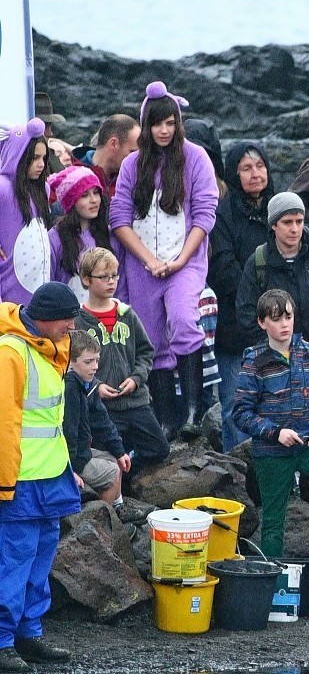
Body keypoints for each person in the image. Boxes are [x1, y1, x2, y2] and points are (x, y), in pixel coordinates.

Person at [109, 82, 218, 441]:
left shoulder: (195, 158)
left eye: (170, 123)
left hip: (184, 262)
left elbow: (204, 214)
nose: (164, 130)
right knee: (151, 338)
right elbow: (120, 217)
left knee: (186, 320)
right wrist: (148, 260)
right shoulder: (131, 165)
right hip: (142, 265)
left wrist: (180, 261)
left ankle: (192, 408)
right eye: (157, 124)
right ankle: (165, 416)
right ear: (146, 125)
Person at [233, 289, 309, 577]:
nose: (285, 324)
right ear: (262, 323)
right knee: (274, 521)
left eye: (288, 316)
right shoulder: (254, 361)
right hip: (271, 453)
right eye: (276, 319)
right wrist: (275, 433)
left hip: (308, 447)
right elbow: (241, 413)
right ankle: (271, 582)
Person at [0, 283, 83, 670]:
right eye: (67, 318)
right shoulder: (11, 353)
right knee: (14, 560)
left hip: (49, 475)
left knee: (38, 559)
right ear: (47, 319)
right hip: (19, 481)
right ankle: (3, 641)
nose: (72, 325)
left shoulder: (49, 349)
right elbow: (5, 424)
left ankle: (28, 635)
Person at [75, 248, 169, 473]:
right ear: (86, 279)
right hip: (101, 407)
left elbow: (146, 352)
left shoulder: (127, 314)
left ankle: (131, 477)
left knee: (159, 448)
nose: (111, 282)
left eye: (115, 276)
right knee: (106, 458)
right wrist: (95, 386)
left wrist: (136, 379)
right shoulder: (77, 321)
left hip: (135, 401)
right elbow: (71, 363)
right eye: (104, 277)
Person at [209, 143, 276, 452]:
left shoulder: (279, 210)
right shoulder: (222, 215)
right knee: (236, 406)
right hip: (234, 328)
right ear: (234, 174)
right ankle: (235, 473)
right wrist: (261, 298)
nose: (255, 174)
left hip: (276, 327)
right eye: (247, 169)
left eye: (260, 166)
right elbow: (222, 269)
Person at [237, 192, 309, 354]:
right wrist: (277, 348)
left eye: (299, 221)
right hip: (274, 359)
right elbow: (247, 315)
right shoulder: (258, 262)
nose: (294, 229)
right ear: (273, 224)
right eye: (287, 222)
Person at [62, 330, 148, 527]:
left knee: (113, 461)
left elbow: (102, 420)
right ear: (70, 361)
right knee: (110, 473)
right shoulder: (70, 387)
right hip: (70, 458)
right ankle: (102, 527)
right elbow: (68, 434)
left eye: (97, 360)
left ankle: (118, 509)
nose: (95, 367)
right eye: (88, 362)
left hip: (80, 452)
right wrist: (70, 471)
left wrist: (119, 451)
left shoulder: (86, 383)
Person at [47, 166, 124, 305]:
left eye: (96, 193)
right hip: (69, 318)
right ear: (70, 201)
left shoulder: (110, 235)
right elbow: (48, 282)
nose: (94, 200)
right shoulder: (55, 238)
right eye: (84, 195)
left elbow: (121, 284)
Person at [0, 118, 52, 306]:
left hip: (39, 283)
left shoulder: (42, 189)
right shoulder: (3, 187)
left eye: (43, 158)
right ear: (17, 155)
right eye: (34, 158)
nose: (41, 164)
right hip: (9, 284)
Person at [70, 114, 140, 199]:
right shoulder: (71, 179)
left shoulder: (135, 179)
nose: (137, 158)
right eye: (132, 152)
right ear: (113, 144)